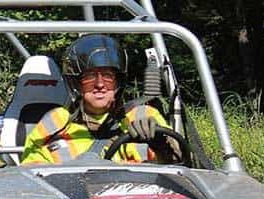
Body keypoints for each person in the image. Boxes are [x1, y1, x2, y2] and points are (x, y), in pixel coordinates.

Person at [20, 34, 178, 165]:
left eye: (108, 76)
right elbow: (30, 178)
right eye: (90, 77)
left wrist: (162, 145)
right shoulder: (55, 121)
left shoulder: (143, 115)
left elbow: (179, 166)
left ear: (118, 82)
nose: (100, 84)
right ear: (76, 83)